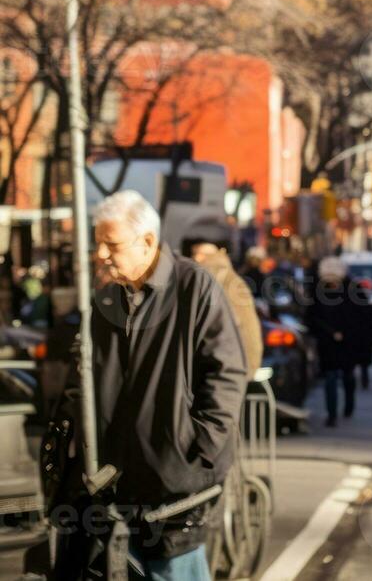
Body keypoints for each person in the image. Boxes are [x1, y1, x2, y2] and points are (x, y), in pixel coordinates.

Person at [55, 189, 247, 579]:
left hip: (177, 478)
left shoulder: (195, 287)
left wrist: (198, 444)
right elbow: (89, 375)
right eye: (99, 245)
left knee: (173, 568)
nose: (102, 255)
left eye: (111, 244)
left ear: (147, 241)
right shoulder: (107, 299)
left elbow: (226, 371)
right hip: (118, 476)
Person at [183, 214, 263, 376]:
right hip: (228, 376)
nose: (196, 259)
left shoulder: (203, 280)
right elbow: (251, 339)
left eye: (199, 254)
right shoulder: (233, 280)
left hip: (214, 376)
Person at [306, 257, 367, 427]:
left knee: (348, 376)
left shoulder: (353, 290)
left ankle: (348, 406)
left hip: (349, 341)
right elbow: (311, 316)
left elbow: (362, 317)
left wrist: (349, 334)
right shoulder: (317, 292)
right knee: (330, 378)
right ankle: (331, 414)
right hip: (327, 342)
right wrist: (326, 332)